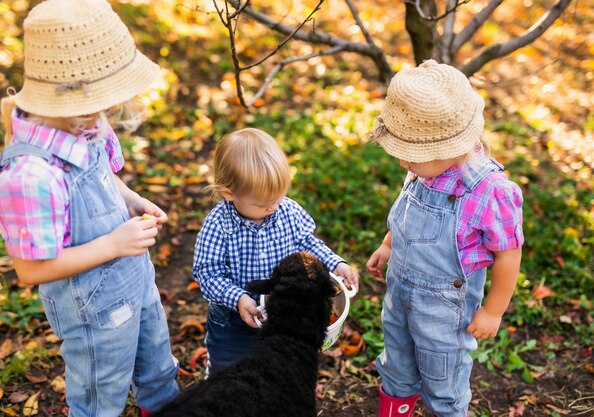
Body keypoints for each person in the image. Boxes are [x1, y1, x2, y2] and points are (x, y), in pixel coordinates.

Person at [0, 1, 179, 416]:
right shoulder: (29, 177)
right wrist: (114, 243)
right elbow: (32, 269)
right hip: (95, 316)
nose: (106, 113)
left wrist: (130, 199)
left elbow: (102, 175)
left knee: (159, 373)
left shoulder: (86, 124)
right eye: (100, 103)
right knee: (99, 400)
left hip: (136, 281)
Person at [365, 60, 524, 417]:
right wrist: (389, 245)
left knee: (444, 386)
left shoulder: (489, 192)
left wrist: (494, 310)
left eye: (412, 155)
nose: (405, 162)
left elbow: (508, 254)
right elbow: (408, 218)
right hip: (400, 299)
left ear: (450, 147)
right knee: (396, 366)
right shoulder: (424, 172)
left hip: (444, 317)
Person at [192, 127, 359, 375]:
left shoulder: (288, 211)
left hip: (281, 312)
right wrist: (238, 298)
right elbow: (208, 274)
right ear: (229, 194)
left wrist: (336, 264)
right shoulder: (218, 225)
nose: (272, 207)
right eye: (261, 204)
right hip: (234, 320)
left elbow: (308, 244)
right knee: (228, 370)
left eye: (278, 198)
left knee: (278, 365)